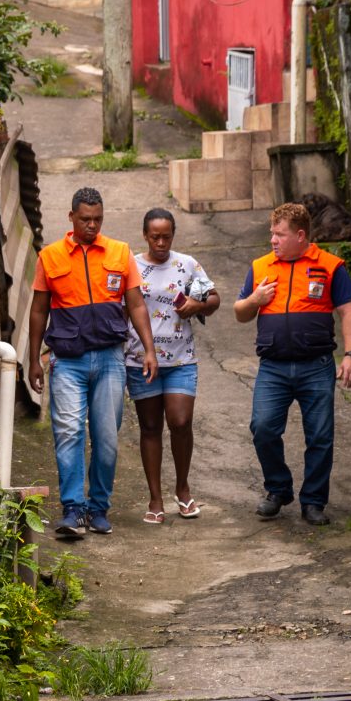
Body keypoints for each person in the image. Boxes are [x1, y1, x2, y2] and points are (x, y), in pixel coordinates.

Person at [28, 187, 159, 539]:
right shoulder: (50, 257)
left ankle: (99, 507)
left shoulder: (119, 252)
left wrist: (149, 349)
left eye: (97, 219)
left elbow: (135, 304)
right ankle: (72, 509)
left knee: (106, 437)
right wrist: (33, 360)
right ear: (71, 218)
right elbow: (39, 310)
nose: (91, 225)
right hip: (67, 361)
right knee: (68, 432)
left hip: (110, 359)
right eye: (85, 219)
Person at [233, 203, 351, 526]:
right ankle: (278, 489)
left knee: (320, 436)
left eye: (280, 234)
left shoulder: (330, 266)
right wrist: (254, 300)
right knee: (262, 427)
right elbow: (240, 312)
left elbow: (348, 310)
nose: (273, 240)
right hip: (273, 367)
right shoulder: (261, 267)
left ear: (300, 235)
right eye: (272, 234)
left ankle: (313, 501)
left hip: (316, 365)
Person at [125, 208, 220, 524]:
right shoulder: (132, 267)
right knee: (150, 427)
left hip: (181, 358)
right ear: (145, 235)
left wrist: (199, 304)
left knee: (180, 422)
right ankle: (155, 498)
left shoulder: (187, 265)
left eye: (167, 236)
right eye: (155, 237)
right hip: (140, 359)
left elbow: (215, 297)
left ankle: (182, 486)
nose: (161, 242)